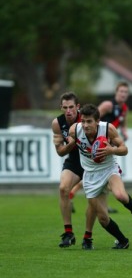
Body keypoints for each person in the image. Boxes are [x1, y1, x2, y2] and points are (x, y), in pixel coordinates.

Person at [68, 103, 132, 249]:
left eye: (89, 121)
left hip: (109, 169)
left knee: (121, 196)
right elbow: (67, 144)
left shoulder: (107, 129)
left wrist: (111, 150)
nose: (85, 125)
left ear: (97, 121)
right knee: (103, 219)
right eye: (83, 121)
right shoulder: (75, 130)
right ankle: (122, 240)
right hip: (90, 175)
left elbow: (124, 149)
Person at [69, 81, 130, 213]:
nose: (123, 94)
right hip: (95, 143)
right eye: (121, 91)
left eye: (126, 92)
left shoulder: (124, 109)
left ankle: (103, 206)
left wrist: (124, 132)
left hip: (108, 144)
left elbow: (123, 124)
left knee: (105, 175)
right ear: (116, 93)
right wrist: (95, 138)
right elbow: (93, 117)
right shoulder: (108, 105)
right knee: (96, 174)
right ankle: (71, 195)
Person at [52, 92, 96, 249]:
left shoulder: (86, 119)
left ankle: (87, 236)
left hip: (92, 162)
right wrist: (72, 143)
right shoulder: (57, 123)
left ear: (78, 107)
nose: (68, 111)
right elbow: (60, 152)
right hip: (74, 161)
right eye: (65, 108)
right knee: (63, 188)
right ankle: (68, 233)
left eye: (71, 107)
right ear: (61, 108)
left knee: (93, 200)